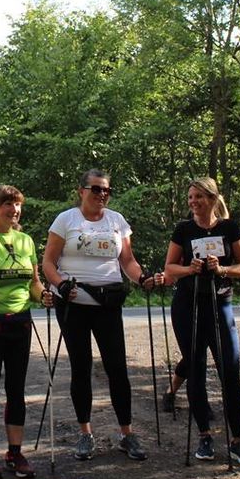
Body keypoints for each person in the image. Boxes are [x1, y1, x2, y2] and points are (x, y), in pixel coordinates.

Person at [40, 168, 164, 462]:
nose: (102, 195)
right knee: (81, 367)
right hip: (73, 302)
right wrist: (60, 284)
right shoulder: (66, 220)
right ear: (81, 191)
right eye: (96, 189)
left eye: (106, 190)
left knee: (117, 368)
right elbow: (48, 262)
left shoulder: (117, 221)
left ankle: (127, 433)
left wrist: (142, 278)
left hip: (107, 302)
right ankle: (85, 434)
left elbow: (128, 262)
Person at [163, 177, 240, 465]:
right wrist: (189, 269)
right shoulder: (184, 229)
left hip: (221, 304)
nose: (193, 202)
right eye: (191, 197)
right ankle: (204, 435)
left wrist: (223, 269)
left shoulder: (229, 227)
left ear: (213, 200)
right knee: (196, 369)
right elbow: (169, 268)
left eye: (199, 197)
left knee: (229, 369)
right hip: (188, 306)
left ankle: (238, 439)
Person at [0, 185, 44, 479]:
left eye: (17, 205)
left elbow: (34, 284)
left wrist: (46, 296)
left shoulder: (26, 240)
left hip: (21, 321)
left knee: (17, 389)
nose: (14, 210)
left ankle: (15, 452)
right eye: (7, 204)